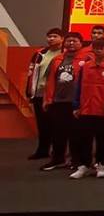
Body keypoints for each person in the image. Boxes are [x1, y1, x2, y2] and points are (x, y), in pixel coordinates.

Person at [69, 38, 104, 179]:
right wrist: (76, 105)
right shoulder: (85, 66)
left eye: (101, 48)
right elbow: (78, 87)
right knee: (84, 139)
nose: (98, 50)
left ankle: (101, 164)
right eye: (96, 48)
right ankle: (84, 166)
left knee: (103, 139)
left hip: (103, 110)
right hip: (85, 109)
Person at [40, 32, 85, 171]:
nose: (71, 43)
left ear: (81, 43)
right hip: (58, 101)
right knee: (58, 132)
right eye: (69, 41)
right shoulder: (57, 59)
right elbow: (50, 80)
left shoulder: (87, 59)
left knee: (76, 133)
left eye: (75, 41)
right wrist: (48, 99)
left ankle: (76, 160)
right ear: (64, 43)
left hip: (77, 102)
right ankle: (58, 159)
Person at [25, 27, 63, 160]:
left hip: (56, 94)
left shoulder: (65, 54)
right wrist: (29, 92)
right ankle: (42, 150)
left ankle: (58, 152)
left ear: (62, 39)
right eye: (49, 36)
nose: (51, 39)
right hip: (39, 93)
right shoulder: (39, 54)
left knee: (56, 124)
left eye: (55, 36)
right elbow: (31, 73)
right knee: (42, 124)